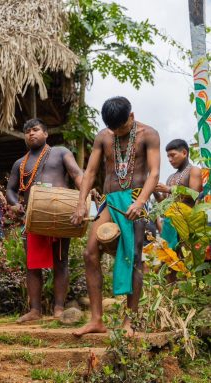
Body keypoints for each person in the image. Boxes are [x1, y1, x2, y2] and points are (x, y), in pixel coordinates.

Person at [71, 96, 160, 337]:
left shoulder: (148, 134)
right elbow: (90, 172)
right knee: (90, 252)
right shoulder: (103, 136)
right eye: (113, 128)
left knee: (135, 256)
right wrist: (81, 203)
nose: (117, 132)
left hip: (135, 198)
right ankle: (96, 320)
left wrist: (141, 202)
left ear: (131, 116)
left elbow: (154, 173)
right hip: (110, 201)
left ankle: (128, 321)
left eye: (121, 127)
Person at [6, 118, 83, 322]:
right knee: (32, 264)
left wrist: (84, 197)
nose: (31, 133)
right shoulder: (19, 164)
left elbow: (76, 173)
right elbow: (10, 190)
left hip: (59, 212)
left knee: (61, 260)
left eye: (36, 129)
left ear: (46, 133)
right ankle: (35, 310)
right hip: (32, 217)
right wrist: (15, 204)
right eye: (27, 131)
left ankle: (58, 308)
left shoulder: (60, 152)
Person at [153, 139, 201, 280]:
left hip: (187, 223)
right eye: (168, 156)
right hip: (170, 223)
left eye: (172, 155)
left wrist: (169, 189)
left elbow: (195, 193)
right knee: (168, 258)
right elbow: (164, 202)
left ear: (184, 153)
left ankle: (190, 291)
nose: (169, 159)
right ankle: (170, 295)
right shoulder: (170, 177)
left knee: (187, 258)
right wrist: (153, 190)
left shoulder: (194, 171)